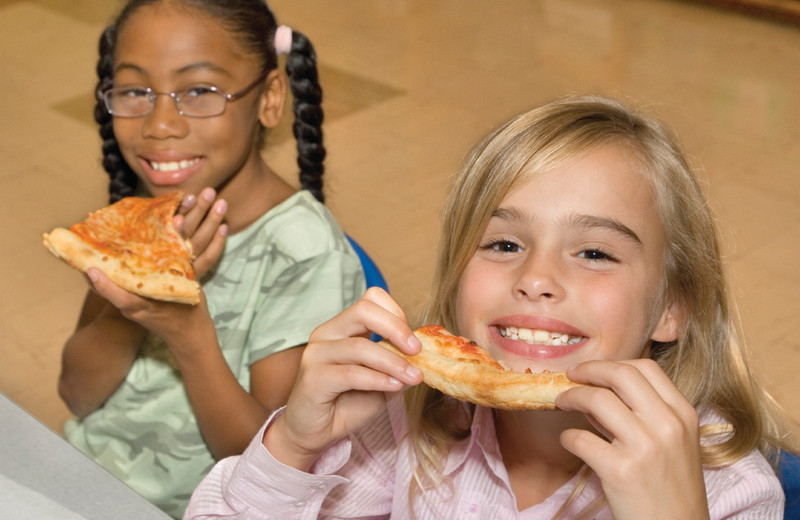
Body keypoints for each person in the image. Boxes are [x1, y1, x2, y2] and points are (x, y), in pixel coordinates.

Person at [183, 95, 797, 519]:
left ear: (672, 307)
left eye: (594, 253)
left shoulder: (726, 490)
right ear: (455, 284)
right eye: (503, 243)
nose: (536, 278)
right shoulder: (408, 423)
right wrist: (292, 444)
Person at [57, 1, 366, 517]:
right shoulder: (141, 218)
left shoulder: (304, 255)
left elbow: (268, 466)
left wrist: (187, 332)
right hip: (85, 479)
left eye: (198, 91)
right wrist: (136, 299)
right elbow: (77, 394)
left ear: (269, 99)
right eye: (135, 91)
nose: (159, 125)